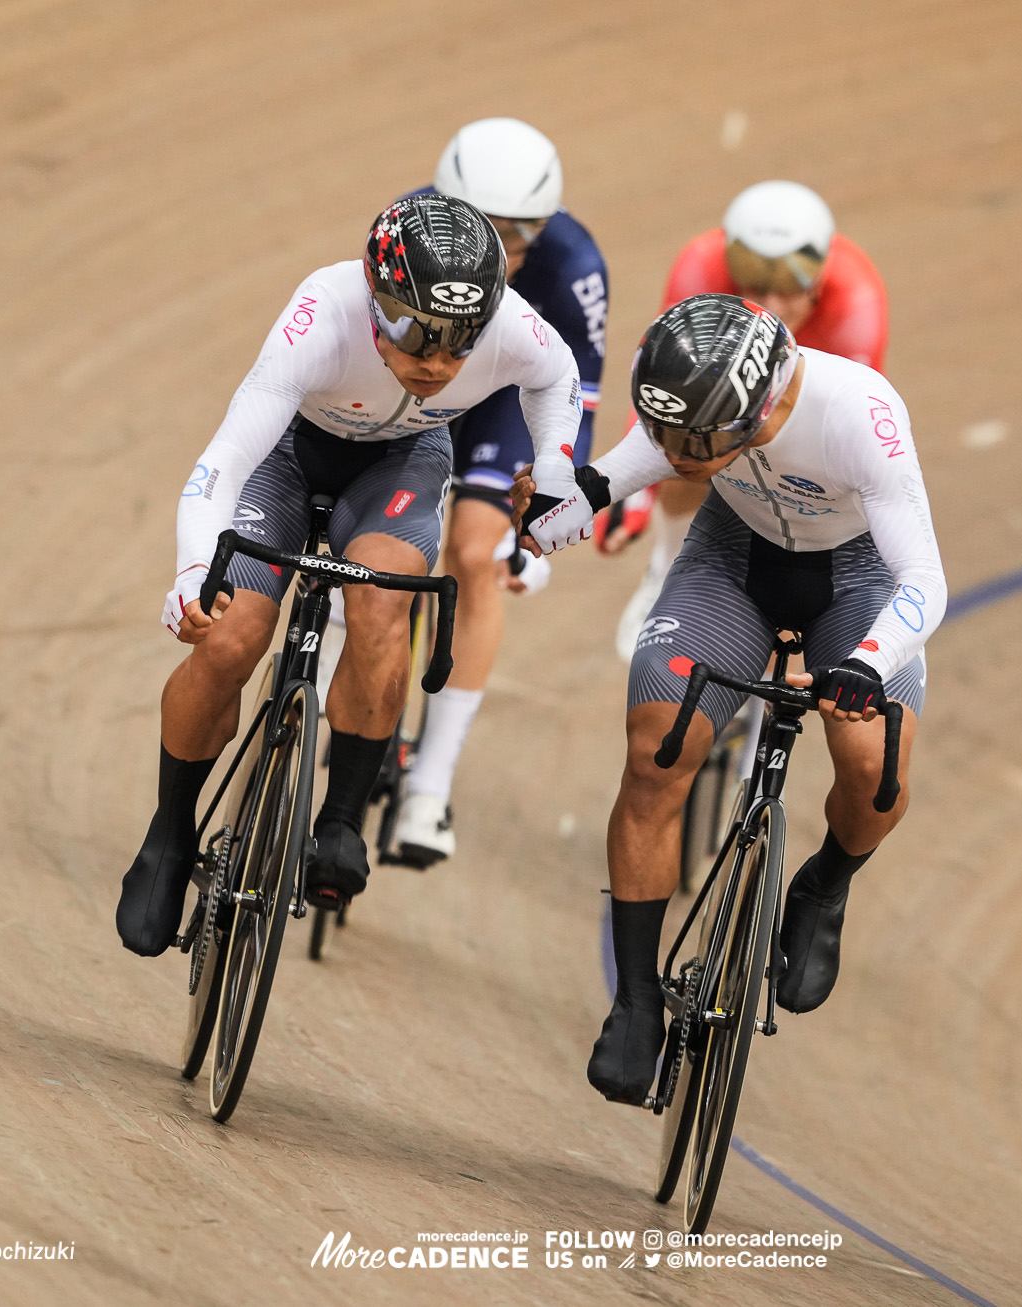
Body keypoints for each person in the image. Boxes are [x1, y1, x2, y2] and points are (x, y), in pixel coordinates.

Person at [115, 192, 583, 957]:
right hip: (291, 456)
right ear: (374, 298)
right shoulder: (322, 312)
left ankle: (340, 815)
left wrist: (556, 463)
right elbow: (224, 465)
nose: (435, 362)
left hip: (404, 461)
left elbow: (559, 375)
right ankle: (169, 830)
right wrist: (194, 570)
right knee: (233, 639)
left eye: (458, 343)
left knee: (379, 601)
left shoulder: (509, 325)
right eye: (413, 334)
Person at [514, 295, 943, 1103]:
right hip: (733, 561)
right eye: (664, 432)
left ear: (756, 409)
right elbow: (600, 488)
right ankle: (638, 999)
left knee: (874, 770)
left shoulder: (861, 413)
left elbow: (924, 579)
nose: (671, 453)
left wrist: (865, 662)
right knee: (656, 750)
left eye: (689, 443)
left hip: (855, 583)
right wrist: (539, 520)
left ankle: (824, 883)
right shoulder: (696, 407)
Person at [388, 117, 608, 864]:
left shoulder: (575, 263)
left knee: (473, 555)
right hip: (422, 379)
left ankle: (429, 788)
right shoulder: (410, 224)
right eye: (488, 230)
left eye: (522, 235)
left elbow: (578, 401)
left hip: (512, 404)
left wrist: (540, 515)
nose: (505, 252)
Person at [602, 181, 888, 660]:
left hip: (808, 408)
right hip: (720, 402)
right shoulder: (700, 267)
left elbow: (849, 425)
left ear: (818, 280)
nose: (772, 307)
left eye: (788, 288)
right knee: (689, 446)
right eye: (755, 286)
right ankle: (667, 571)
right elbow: (665, 386)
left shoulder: (855, 301)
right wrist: (635, 490)